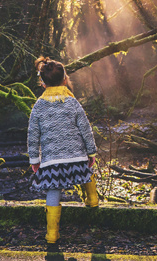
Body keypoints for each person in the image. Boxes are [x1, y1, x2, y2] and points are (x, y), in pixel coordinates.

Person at [28, 56, 99, 247]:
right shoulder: (72, 103)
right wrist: (91, 153)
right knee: (86, 172)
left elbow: (33, 136)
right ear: (65, 79)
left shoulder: (38, 107)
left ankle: (52, 235)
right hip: (77, 157)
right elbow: (85, 128)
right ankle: (92, 199)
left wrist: (35, 160)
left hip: (52, 161)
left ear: (42, 83)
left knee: (53, 190)